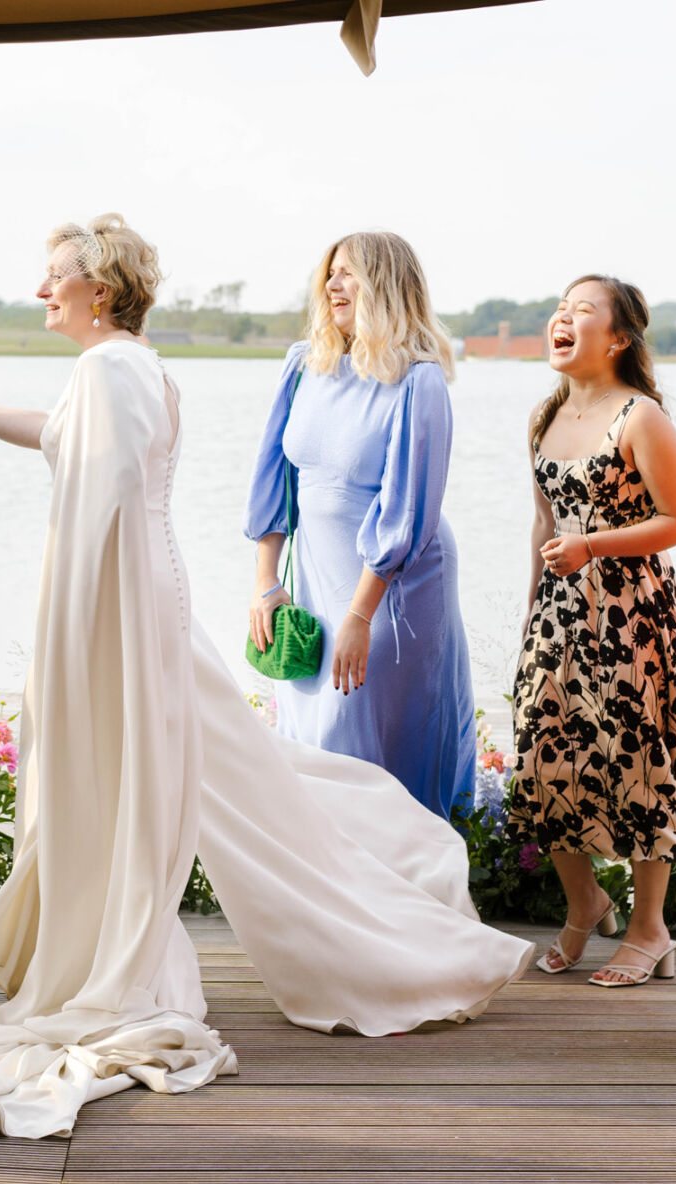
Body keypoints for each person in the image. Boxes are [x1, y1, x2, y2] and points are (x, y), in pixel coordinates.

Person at [0, 215, 531, 1140]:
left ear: (97, 291)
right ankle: (366, 909)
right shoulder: (127, 366)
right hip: (149, 595)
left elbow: (101, 512)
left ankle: (184, 944)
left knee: (194, 778)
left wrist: (76, 635)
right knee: (239, 776)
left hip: (123, 605)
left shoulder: (112, 370)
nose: (42, 291)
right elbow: (68, 446)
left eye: (54, 276)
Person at [505, 275, 676, 987]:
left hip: (631, 615)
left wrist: (593, 546)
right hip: (560, 616)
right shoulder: (545, 417)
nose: (562, 319)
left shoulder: (642, 417)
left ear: (619, 337)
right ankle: (585, 905)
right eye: (559, 310)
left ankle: (650, 928)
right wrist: (531, 618)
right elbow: (544, 526)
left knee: (638, 768)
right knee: (545, 764)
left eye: (582, 312)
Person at [245, 232, 475, 821]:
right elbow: (275, 478)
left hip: (393, 593)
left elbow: (407, 511)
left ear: (386, 285)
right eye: (330, 273)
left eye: (349, 273)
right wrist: (266, 582)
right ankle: (331, 901)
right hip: (318, 587)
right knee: (311, 743)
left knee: (371, 749)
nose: (333, 285)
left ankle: (410, 897)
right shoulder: (304, 364)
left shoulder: (418, 381)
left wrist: (359, 616)